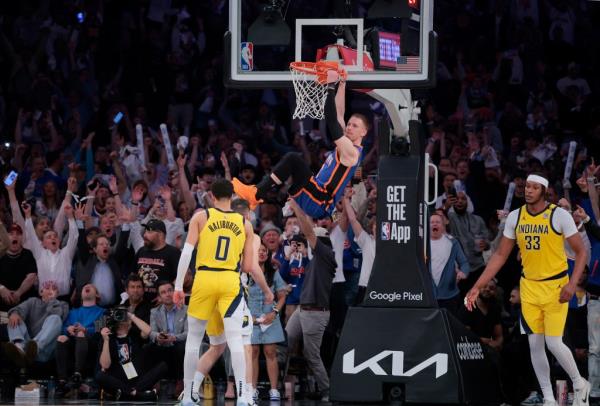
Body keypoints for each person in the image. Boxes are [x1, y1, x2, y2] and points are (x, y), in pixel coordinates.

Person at [465, 174, 591, 406]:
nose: (528, 190)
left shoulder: (558, 214)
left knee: (553, 343)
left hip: (556, 285)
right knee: (535, 344)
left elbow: (581, 252)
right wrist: (477, 285)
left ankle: (579, 382)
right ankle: (549, 398)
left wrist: (572, 284)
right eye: (527, 187)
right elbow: (500, 255)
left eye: (534, 187)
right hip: (529, 287)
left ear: (544, 191)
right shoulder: (516, 216)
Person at [173, 180, 273, 406]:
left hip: (204, 278)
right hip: (230, 280)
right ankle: (243, 398)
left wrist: (179, 286)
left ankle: (189, 396)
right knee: (236, 341)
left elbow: (186, 253)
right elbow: (248, 267)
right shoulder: (245, 223)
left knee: (194, 341)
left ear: (211, 195)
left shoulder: (202, 216)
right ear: (232, 195)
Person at [233, 70, 367, 219]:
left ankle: (255, 194)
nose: (349, 127)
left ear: (364, 132)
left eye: (355, 126)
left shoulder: (352, 153)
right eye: (349, 124)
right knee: (290, 166)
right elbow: (338, 114)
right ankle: (258, 195)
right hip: (314, 193)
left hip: (319, 199)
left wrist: (330, 86)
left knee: (293, 159)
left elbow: (332, 120)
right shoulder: (346, 144)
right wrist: (341, 85)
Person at [285, 199, 337, 401]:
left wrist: (297, 208)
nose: (310, 240)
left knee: (312, 355)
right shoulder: (316, 258)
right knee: (285, 342)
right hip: (303, 310)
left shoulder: (325, 255)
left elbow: (307, 232)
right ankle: (287, 384)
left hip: (315, 312)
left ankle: (327, 390)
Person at [96, 308, 167, 401]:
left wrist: (131, 316)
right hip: (119, 377)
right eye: (119, 315)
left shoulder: (134, 334)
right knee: (100, 376)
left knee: (163, 366)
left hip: (137, 376)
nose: (122, 317)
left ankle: (127, 394)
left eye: (123, 314)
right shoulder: (108, 337)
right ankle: (138, 394)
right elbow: (105, 365)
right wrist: (106, 340)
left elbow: (148, 331)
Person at [248, 242, 288, 402]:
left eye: (264, 250)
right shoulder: (246, 272)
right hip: (251, 318)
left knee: (271, 352)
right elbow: (239, 296)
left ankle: (274, 389)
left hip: (270, 317)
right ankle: (252, 389)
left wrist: (275, 312)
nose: (262, 253)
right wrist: (246, 316)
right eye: (258, 250)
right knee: (253, 353)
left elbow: (282, 296)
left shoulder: (274, 272)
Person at [4, 280, 68, 366]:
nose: (50, 290)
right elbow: (19, 309)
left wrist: (52, 301)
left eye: (54, 289)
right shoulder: (33, 301)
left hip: (45, 350)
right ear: (41, 292)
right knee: (14, 317)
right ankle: (19, 347)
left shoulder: (63, 304)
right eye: (47, 288)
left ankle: (35, 347)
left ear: (57, 293)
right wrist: (15, 313)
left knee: (56, 318)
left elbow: (58, 319)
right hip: (26, 345)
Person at [55, 284, 105, 391]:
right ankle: (62, 380)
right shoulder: (73, 312)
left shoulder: (102, 311)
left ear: (97, 294)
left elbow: (100, 330)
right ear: (81, 295)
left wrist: (85, 330)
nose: (87, 287)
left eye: (91, 287)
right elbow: (63, 328)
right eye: (84, 287)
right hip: (74, 341)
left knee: (81, 334)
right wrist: (68, 329)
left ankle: (77, 375)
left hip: (91, 342)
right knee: (61, 338)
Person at [429, 213, 470, 314]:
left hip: (450, 295)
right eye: (432, 222)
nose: (435, 224)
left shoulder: (452, 242)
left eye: (437, 222)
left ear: (443, 225)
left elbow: (464, 262)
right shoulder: (422, 243)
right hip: (428, 294)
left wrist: (463, 272)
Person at [147, 280, 188, 380]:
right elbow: (152, 332)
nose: (168, 294)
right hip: (163, 344)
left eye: (170, 290)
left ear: (175, 292)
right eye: (163, 292)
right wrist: (158, 336)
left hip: (179, 343)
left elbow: (188, 333)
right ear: (159, 297)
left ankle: (180, 381)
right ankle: (155, 381)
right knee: (148, 348)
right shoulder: (154, 312)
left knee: (179, 348)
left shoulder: (186, 310)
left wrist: (174, 338)